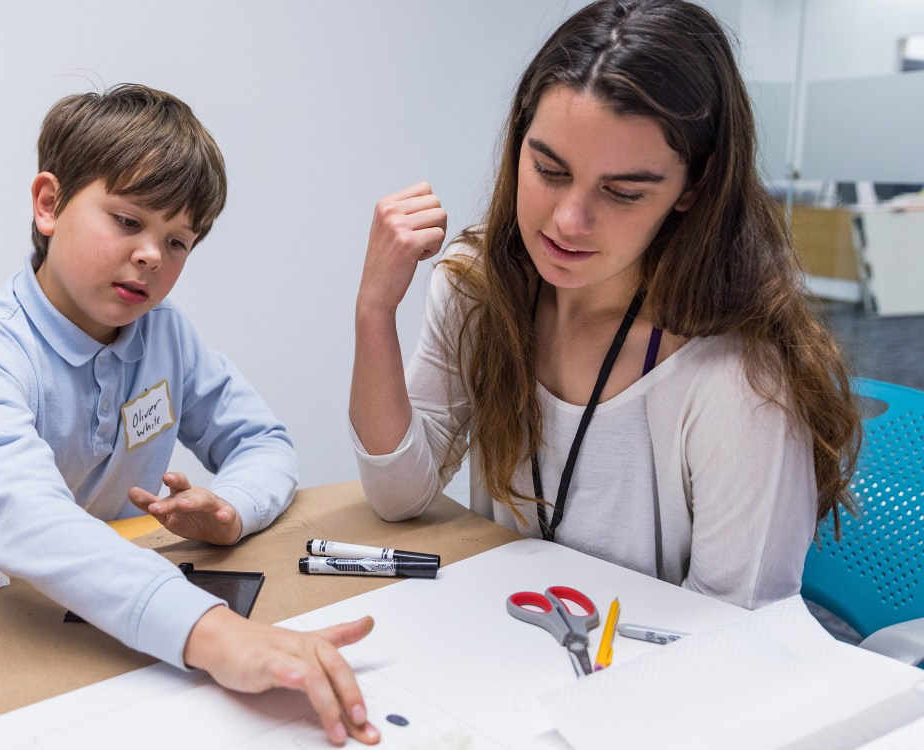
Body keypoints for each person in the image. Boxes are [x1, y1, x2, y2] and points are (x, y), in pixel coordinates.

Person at [0, 84, 378, 746]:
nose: (153, 255)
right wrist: (214, 633)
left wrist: (232, 508)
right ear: (49, 204)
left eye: (179, 241)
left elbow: (263, 441)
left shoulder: (167, 336)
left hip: (112, 614)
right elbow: (27, 518)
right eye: (128, 221)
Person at [350, 0, 861, 611]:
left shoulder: (738, 375)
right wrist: (374, 311)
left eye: (621, 192)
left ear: (693, 187)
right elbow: (397, 494)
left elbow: (735, 638)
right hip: (506, 654)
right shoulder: (478, 290)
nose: (569, 222)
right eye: (548, 169)